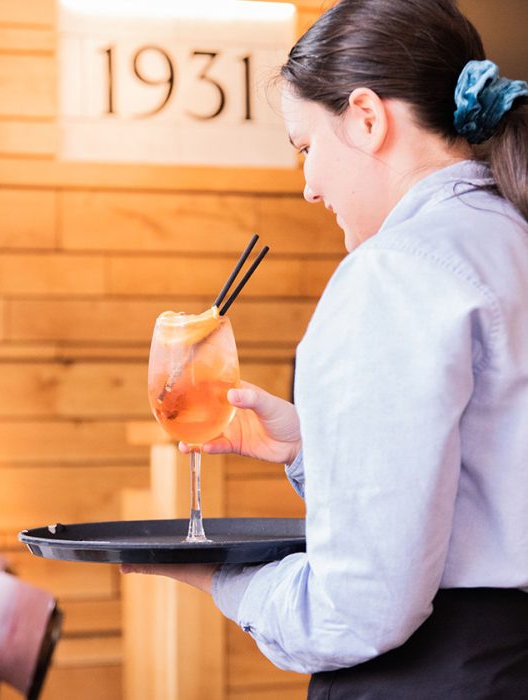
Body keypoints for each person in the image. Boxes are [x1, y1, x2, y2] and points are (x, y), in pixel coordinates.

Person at [122, 0, 528, 696]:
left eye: (306, 147)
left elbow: (361, 606)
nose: (308, 187)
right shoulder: (510, 236)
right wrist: (310, 449)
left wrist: (222, 580)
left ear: (367, 118)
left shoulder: (394, 272)